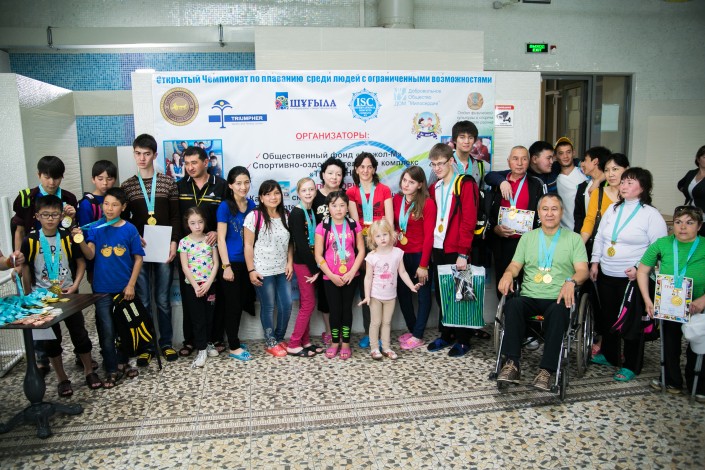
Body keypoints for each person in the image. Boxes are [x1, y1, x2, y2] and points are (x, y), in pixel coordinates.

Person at [496, 193, 589, 390]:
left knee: (559, 311)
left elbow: (583, 271)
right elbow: (515, 265)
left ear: (561, 212)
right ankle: (512, 364)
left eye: (554, 209)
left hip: (558, 297)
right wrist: (508, 274)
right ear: (538, 212)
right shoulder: (528, 238)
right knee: (512, 305)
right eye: (545, 209)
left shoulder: (574, 239)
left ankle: (546, 371)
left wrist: (571, 282)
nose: (549, 213)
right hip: (530, 296)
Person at [589, 167, 667, 381]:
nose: (623, 186)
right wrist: (595, 261)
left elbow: (658, 247)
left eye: (630, 182)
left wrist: (640, 267)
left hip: (633, 278)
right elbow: (600, 237)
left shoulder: (650, 214)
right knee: (608, 317)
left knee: (632, 322)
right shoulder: (613, 209)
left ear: (643, 188)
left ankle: (632, 365)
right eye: (623, 182)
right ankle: (610, 355)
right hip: (607, 273)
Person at [20, 195, 98, 396]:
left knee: (79, 333)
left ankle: (89, 371)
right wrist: (28, 296)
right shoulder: (30, 240)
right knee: (51, 341)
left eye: (54, 214)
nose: (50, 219)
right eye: (45, 215)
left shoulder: (67, 237)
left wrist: (76, 285)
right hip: (43, 299)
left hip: (69, 295)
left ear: (61, 216)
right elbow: (26, 268)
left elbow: (81, 262)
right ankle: (62, 378)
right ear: (37, 216)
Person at [11, 155, 79, 376]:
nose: (52, 182)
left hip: (61, 261)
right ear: (39, 175)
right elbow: (19, 229)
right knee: (37, 311)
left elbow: (71, 229)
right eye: (47, 177)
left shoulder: (68, 198)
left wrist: (72, 217)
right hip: (34, 261)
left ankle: (81, 353)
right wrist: (17, 260)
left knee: (73, 316)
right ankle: (42, 359)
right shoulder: (26, 198)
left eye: (56, 177)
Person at [72, 187, 145, 388]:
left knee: (125, 329)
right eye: (106, 204)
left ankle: (123, 362)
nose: (109, 208)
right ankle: (111, 368)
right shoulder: (96, 227)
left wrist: (131, 285)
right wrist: (80, 241)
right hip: (102, 289)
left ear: (123, 207)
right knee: (107, 330)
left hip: (124, 290)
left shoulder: (130, 229)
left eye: (114, 205)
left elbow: (138, 259)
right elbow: (90, 255)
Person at [121, 133, 181, 365]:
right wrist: (134, 236)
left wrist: (174, 242)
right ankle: (147, 346)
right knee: (143, 300)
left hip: (164, 247)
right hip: (140, 250)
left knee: (163, 300)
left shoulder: (168, 182)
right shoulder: (127, 186)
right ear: (134, 154)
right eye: (138, 153)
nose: (142, 158)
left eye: (147, 154)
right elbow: (124, 219)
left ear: (155, 155)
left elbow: (175, 216)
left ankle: (165, 343)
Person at [637, 205, 705, 400]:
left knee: (698, 345)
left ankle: (698, 384)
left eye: (689, 223)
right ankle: (671, 380)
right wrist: (648, 300)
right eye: (678, 222)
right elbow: (642, 271)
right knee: (669, 342)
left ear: (699, 226)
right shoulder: (662, 244)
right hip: (669, 303)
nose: (683, 227)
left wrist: (703, 300)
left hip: (699, 303)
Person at [426, 143, 478, 357]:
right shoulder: (434, 187)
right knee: (442, 294)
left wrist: (463, 253)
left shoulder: (465, 183)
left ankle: (463, 340)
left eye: (441, 163)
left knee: (462, 294)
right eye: (433, 164)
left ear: (451, 161)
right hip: (438, 247)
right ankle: (446, 334)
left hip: (458, 249)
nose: (437, 168)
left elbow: (469, 220)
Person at [176, 146, 227, 358]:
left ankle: (215, 338)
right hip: (188, 252)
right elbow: (176, 218)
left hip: (212, 249)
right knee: (190, 300)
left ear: (206, 162)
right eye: (186, 163)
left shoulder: (221, 185)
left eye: (194, 163)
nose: (190, 167)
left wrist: (216, 231)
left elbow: (226, 214)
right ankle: (191, 340)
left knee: (215, 299)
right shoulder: (179, 186)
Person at [346, 152, 393, 349]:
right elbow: (355, 224)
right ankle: (369, 332)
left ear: (374, 169)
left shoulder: (384, 190)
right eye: (362, 167)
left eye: (369, 167)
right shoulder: (351, 192)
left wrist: (386, 245)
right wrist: (362, 248)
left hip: (381, 241)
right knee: (366, 288)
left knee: (382, 288)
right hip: (362, 243)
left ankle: (383, 333)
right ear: (356, 170)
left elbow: (389, 221)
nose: (365, 170)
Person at [243, 180, 293, 358]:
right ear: (261, 198)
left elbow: (290, 243)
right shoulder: (254, 216)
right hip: (262, 271)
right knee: (269, 306)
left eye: (276, 193)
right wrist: (251, 270)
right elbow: (248, 246)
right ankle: (270, 341)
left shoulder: (286, 215)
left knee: (287, 305)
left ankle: (279, 338)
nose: (273, 197)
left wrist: (290, 262)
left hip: (282, 270)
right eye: (268, 194)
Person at [489, 146, 545, 300]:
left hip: (527, 243)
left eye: (524, 159)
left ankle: (522, 313)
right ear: (508, 161)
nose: (519, 163)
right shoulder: (498, 183)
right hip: (502, 242)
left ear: (529, 161)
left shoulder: (536, 184)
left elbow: (543, 213)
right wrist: (495, 229)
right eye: (515, 159)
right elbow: (489, 212)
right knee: (503, 284)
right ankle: (505, 313)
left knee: (527, 285)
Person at [315, 191, 365, 360]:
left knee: (346, 310)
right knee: (335, 311)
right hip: (330, 278)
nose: (338, 209)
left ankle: (346, 344)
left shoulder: (353, 225)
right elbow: (318, 255)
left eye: (342, 205)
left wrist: (352, 272)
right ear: (328, 207)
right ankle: (335, 342)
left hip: (351, 277)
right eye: (334, 205)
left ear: (347, 207)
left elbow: (361, 250)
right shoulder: (323, 227)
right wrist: (331, 275)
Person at [359, 219, 419, 360]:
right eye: (378, 236)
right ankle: (374, 348)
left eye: (385, 234)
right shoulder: (371, 257)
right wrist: (367, 296)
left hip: (391, 296)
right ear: (373, 239)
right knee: (375, 322)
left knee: (386, 323)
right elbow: (368, 278)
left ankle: (386, 347)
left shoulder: (398, 253)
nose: (382, 238)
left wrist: (412, 286)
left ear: (391, 235)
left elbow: (402, 272)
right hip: (375, 296)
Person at [393, 166, 437, 350]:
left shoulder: (427, 203)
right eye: (404, 180)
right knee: (403, 295)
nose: (406, 185)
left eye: (411, 182)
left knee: (423, 296)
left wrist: (424, 265)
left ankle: (418, 335)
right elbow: (395, 225)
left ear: (420, 185)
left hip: (420, 255)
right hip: (400, 255)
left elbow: (429, 237)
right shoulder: (397, 200)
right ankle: (413, 331)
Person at [216, 166, 256, 362]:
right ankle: (233, 347)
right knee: (232, 305)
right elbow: (221, 239)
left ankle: (234, 341)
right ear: (230, 185)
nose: (243, 187)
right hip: (231, 263)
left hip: (247, 262)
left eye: (246, 182)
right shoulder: (225, 207)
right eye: (238, 183)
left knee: (239, 303)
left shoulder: (252, 205)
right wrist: (226, 266)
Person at [287, 177, 325, 357]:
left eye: (311, 189)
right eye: (304, 190)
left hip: (311, 262)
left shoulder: (310, 211)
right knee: (308, 304)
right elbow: (301, 246)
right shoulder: (297, 213)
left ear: (315, 191)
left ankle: (305, 341)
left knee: (306, 302)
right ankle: (294, 343)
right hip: (303, 263)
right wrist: (316, 269)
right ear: (298, 193)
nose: (308, 193)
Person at [178, 207, 220, 368]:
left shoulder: (210, 240)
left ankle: (208, 343)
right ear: (187, 224)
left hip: (210, 285)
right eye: (193, 223)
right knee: (198, 318)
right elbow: (185, 267)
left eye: (200, 222)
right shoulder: (184, 242)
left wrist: (209, 283)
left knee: (210, 316)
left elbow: (216, 263)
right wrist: (196, 286)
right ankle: (201, 349)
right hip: (193, 287)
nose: (197, 226)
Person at [312, 157, 347, 346]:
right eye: (330, 173)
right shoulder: (314, 197)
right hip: (323, 256)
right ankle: (329, 330)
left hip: (344, 256)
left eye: (338, 174)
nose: (334, 177)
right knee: (326, 297)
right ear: (323, 175)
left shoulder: (346, 196)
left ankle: (342, 330)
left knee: (342, 297)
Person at [77, 160, 118, 285]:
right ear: (93, 179)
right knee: (100, 292)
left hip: (117, 254)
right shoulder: (87, 204)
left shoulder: (118, 199)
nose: (105, 183)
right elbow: (85, 234)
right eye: (100, 179)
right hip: (96, 258)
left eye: (109, 179)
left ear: (115, 180)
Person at [486, 141, 557, 194]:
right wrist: (502, 182)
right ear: (534, 159)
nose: (552, 161)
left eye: (552, 158)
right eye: (548, 158)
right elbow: (489, 176)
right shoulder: (522, 173)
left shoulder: (555, 169)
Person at [573, 146, 610, 236]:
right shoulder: (582, 187)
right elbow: (578, 218)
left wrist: (598, 180)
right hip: (586, 239)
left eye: (585, 160)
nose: (582, 164)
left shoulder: (612, 185)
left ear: (595, 161)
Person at [554, 137, 587, 230]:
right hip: (564, 231)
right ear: (556, 156)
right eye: (561, 153)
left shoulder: (584, 173)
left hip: (584, 228)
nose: (565, 156)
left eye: (568, 152)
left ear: (574, 153)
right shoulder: (553, 180)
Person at [677, 145, 705, 237]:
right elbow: (680, 184)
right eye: (704, 157)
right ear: (698, 159)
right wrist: (688, 193)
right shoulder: (691, 173)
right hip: (690, 214)